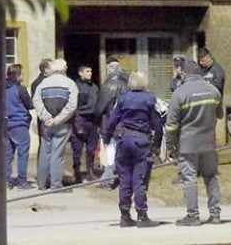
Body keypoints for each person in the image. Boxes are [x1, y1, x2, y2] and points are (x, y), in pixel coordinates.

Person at [164, 60, 223, 226]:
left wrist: (170, 145)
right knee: (211, 177)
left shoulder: (180, 93)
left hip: (187, 143)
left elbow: (171, 125)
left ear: (183, 73)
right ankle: (215, 214)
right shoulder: (214, 90)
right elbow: (219, 115)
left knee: (189, 178)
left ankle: (193, 215)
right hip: (209, 143)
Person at [104, 71, 163, 228]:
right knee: (140, 179)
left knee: (125, 179)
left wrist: (106, 138)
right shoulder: (150, 100)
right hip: (141, 141)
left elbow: (112, 120)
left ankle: (124, 215)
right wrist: (157, 144)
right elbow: (157, 123)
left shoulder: (122, 99)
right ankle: (142, 215)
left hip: (124, 140)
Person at [33, 58, 78, 191]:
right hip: (63, 124)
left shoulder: (42, 84)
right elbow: (72, 106)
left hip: (45, 124)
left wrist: (46, 118)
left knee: (44, 153)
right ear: (64, 69)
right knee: (57, 154)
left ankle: (41, 184)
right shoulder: (70, 84)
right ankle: (56, 185)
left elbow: (37, 101)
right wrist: (58, 119)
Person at [94, 57, 130, 189]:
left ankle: (107, 181)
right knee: (123, 153)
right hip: (126, 123)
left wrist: (96, 121)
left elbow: (99, 108)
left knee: (109, 151)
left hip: (110, 122)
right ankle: (125, 181)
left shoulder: (108, 85)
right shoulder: (128, 83)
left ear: (109, 69)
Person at [4, 63, 34, 190]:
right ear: (17, 75)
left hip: (5, 123)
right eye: (22, 73)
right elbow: (30, 104)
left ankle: (6, 180)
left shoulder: (2, 88)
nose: (23, 76)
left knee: (8, 153)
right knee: (23, 153)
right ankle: (22, 181)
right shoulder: (20, 89)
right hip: (19, 123)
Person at [70, 64, 99, 184]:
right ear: (80, 73)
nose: (90, 73)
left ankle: (90, 170)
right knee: (77, 148)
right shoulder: (75, 87)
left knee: (91, 148)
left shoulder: (94, 87)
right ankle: (77, 171)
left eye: (91, 71)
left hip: (92, 120)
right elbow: (73, 107)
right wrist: (77, 124)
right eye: (87, 71)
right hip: (80, 119)